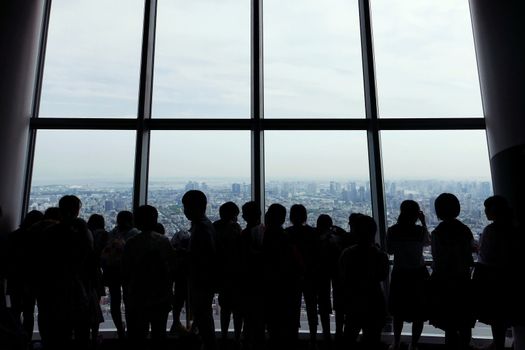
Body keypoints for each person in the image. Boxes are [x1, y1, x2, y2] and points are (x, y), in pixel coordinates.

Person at [36, 195, 95, 350]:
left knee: (57, 334)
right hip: (77, 287)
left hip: (52, 287)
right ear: (77, 210)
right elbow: (89, 258)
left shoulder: (48, 232)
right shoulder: (83, 232)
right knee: (81, 331)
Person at [122, 205, 175, 350]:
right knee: (159, 334)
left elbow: (126, 270)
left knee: (137, 335)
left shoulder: (132, 243)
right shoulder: (163, 241)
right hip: (161, 296)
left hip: (138, 295)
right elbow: (170, 267)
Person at [429, 193, 476, 350]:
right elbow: (471, 253)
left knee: (449, 324)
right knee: (464, 323)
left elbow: (437, 259)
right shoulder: (464, 230)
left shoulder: (437, 233)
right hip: (463, 280)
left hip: (443, 282)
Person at [339, 214, 389, 349]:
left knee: (349, 337)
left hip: (353, 301)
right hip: (374, 300)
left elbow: (343, 278)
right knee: (372, 340)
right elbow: (382, 276)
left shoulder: (347, 254)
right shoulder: (380, 256)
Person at [386, 200, 430, 350]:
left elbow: (390, 250)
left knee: (398, 311)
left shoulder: (393, 230)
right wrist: (423, 222)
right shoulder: (420, 231)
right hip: (418, 274)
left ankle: (396, 342)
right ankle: (414, 344)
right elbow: (427, 243)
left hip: (400, 274)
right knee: (419, 313)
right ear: (417, 213)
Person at [473, 195, 514, 350]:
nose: (484, 212)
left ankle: (498, 343)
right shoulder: (513, 228)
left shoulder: (491, 230)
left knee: (496, 314)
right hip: (509, 276)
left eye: (487, 209)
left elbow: (486, 256)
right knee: (505, 312)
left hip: (492, 277)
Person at [182, 190, 217, 350]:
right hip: (205, 278)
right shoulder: (204, 225)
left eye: (186, 207)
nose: (184, 211)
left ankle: (209, 344)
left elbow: (204, 255)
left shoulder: (201, 228)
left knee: (202, 314)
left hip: (201, 279)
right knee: (203, 314)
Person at [263, 204, 301, 349]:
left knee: (274, 325)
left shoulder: (269, 235)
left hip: (273, 287)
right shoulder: (285, 236)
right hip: (287, 287)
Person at [102, 210, 139, 339]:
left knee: (115, 302)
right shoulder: (135, 234)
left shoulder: (111, 234)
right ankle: (131, 331)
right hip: (130, 272)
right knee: (130, 302)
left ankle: (120, 330)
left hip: (113, 271)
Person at [285, 204, 319, 345]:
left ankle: (293, 337)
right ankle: (313, 338)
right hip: (310, 275)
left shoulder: (287, 233)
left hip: (292, 276)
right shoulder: (313, 233)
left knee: (293, 307)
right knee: (311, 306)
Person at [213, 201, 243, 345]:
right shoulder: (235, 228)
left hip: (221, 274)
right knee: (238, 310)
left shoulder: (214, 227)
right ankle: (237, 337)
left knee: (225, 308)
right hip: (236, 275)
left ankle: (224, 336)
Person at [239, 201, 265, 349]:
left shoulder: (245, 234)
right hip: (262, 281)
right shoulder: (264, 230)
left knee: (248, 318)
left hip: (248, 281)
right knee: (259, 318)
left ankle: (247, 342)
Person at [170, 229, 191, 335]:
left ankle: (176, 323)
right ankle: (191, 327)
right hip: (190, 277)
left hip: (180, 277)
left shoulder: (176, 256)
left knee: (178, 301)